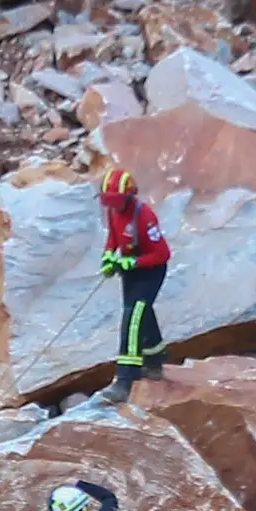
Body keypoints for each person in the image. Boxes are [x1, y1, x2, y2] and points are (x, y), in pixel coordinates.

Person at [96, 167, 170, 403]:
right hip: (131, 272)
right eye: (109, 203)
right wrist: (108, 256)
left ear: (128, 197)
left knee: (132, 319)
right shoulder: (113, 212)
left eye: (117, 202)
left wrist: (134, 261)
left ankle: (125, 379)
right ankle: (155, 361)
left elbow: (162, 253)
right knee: (143, 313)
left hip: (150, 271)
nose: (113, 207)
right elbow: (113, 237)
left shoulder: (144, 216)